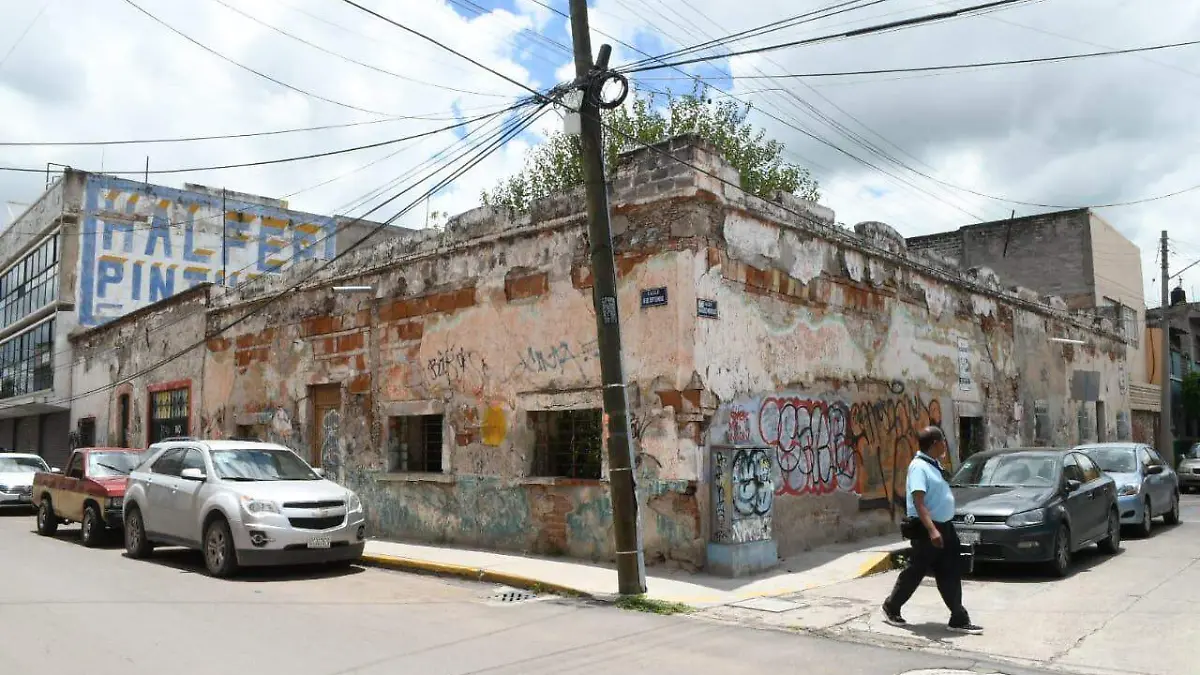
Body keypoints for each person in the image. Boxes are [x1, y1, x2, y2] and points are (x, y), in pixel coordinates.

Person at [882, 425, 983, 634]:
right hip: (927, 528)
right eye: (943, 442)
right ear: (935, 444)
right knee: (915, 570)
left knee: (950, 570)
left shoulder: (933, 464)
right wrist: (932, 530)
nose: (945, 445)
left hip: (944, 526)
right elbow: (919, 503)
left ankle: (958, 617)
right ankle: (891, 607)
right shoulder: (919, 467)